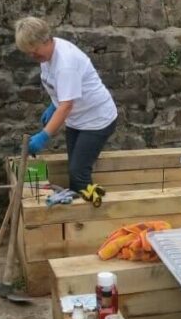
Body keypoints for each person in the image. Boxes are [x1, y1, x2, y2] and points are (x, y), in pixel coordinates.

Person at [14, 16, 118, 196]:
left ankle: (85, 219)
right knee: (74, 167)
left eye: (34, 51)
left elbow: (67, 105)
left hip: (97, 120)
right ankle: (77, 203)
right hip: (78, 118)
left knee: (78, 172)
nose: (32, 56)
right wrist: (53, 105)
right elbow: (60, 90)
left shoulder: (65, 63)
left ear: (45, 40)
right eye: (28, 52)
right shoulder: (47, 57)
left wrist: (43, 136)